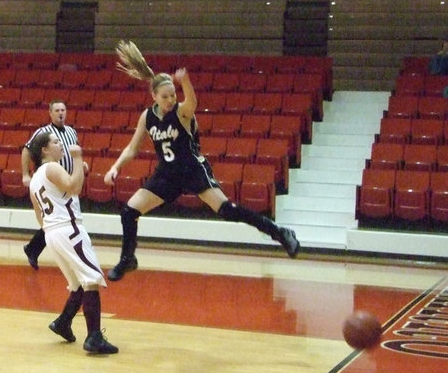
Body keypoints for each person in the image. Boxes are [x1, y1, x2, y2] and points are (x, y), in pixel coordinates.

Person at [103, 41, 300, 282]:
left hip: (193, 170)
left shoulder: (182, 112)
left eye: (173, 95)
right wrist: (115, 167)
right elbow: (132, 149)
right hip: (167, 175)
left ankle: (279, 232)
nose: (170, 100)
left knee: (228, 211)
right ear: (154, 96)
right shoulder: (148, 116)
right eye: (165, 96)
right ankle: (127, 259)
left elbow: (192, 103)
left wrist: (185, 82)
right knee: (129, 211)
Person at [28, 131, 118, 355]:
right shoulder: (52, 167)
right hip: (69, 229)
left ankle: (63, 323)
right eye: (56, 142)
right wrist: (77, 159)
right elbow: (74, 187)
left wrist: (78, 171)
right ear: (44, 151)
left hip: (51, 233)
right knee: (91, 279)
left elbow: (39, 215)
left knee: (77, 284)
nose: (61, 144)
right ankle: (94, 337)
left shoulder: (35, 180)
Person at [21, 100, 86, 270]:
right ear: (50, 113)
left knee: (60, 218)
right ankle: (37, 249)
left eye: (63, 110)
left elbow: (73, 153)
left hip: (66, 181)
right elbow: (26, 149)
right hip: (51, 182)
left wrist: (81, 164)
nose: (60, 113)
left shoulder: (71, 131)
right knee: (57, 218)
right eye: (57, 110)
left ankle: (33, 249)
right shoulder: (43, 132)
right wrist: (25, 174)